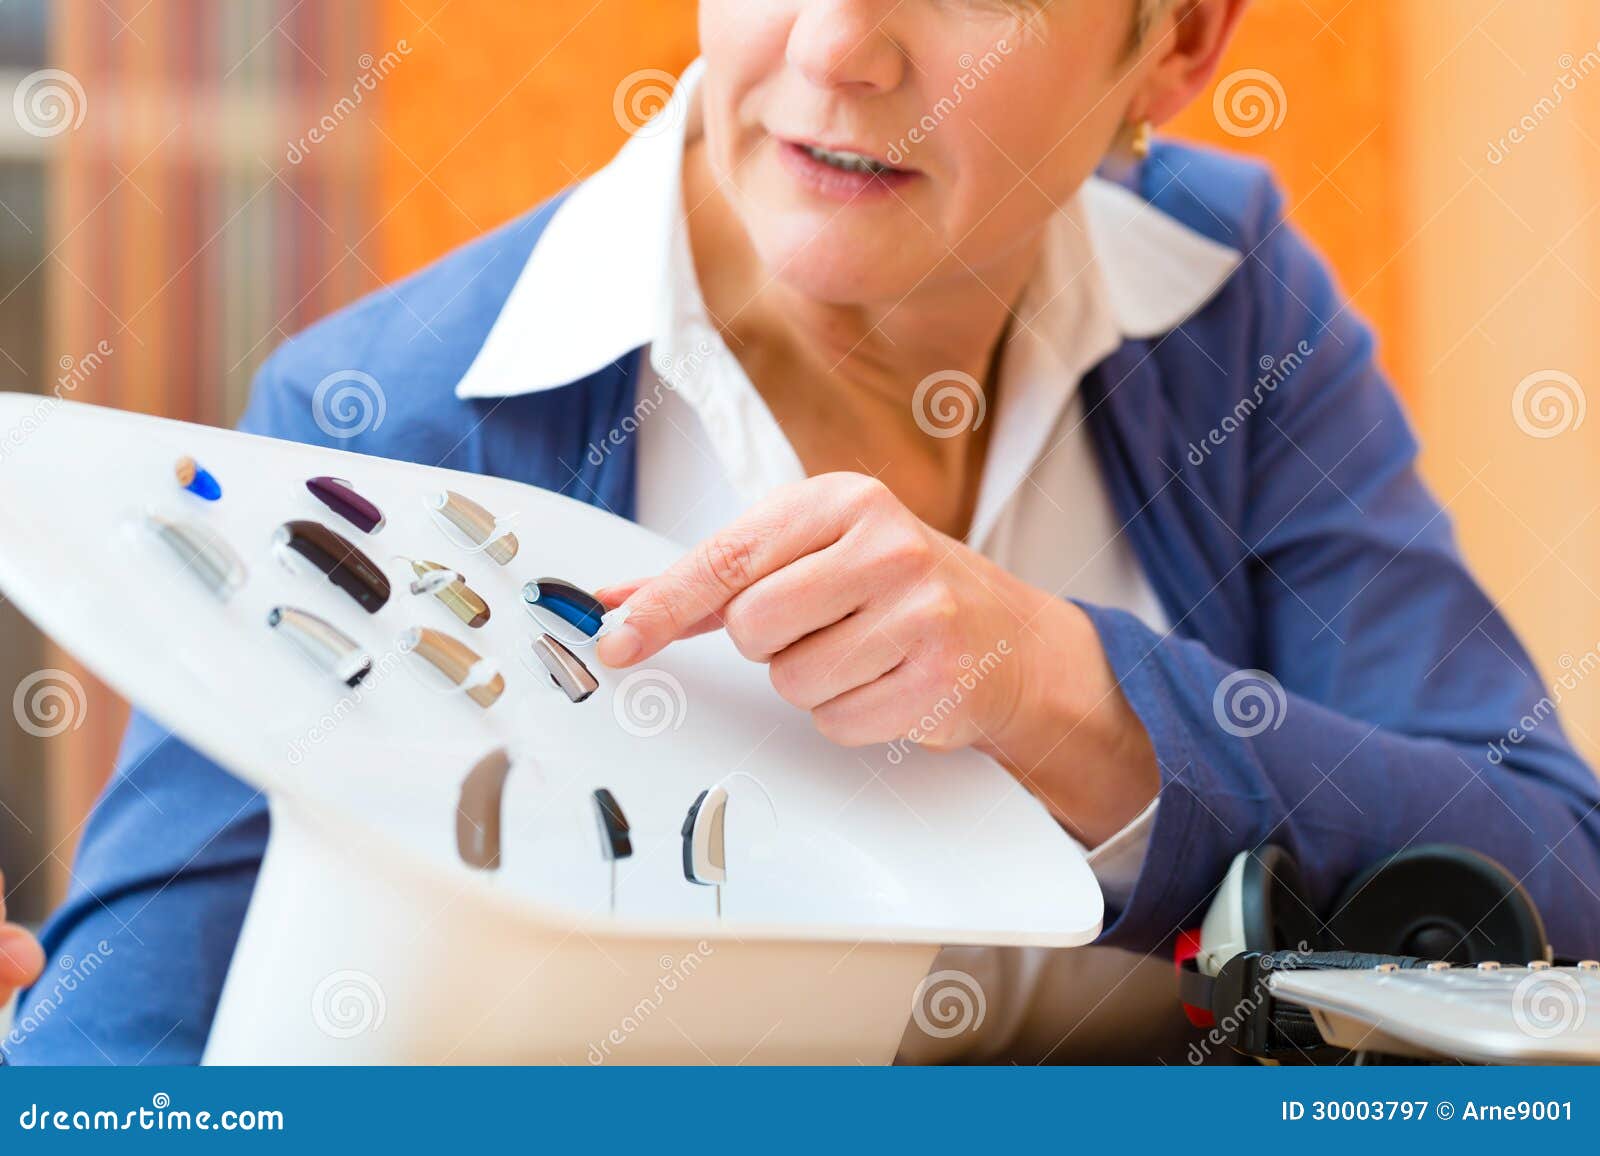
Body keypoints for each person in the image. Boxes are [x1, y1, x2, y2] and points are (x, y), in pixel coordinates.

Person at [5, 0, 1599, 1065]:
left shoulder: (1224, 302)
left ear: (1178, 39)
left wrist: (1066, 692)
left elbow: (1552, 871)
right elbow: (123, 1065)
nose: (839, 50)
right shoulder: (389, 421)